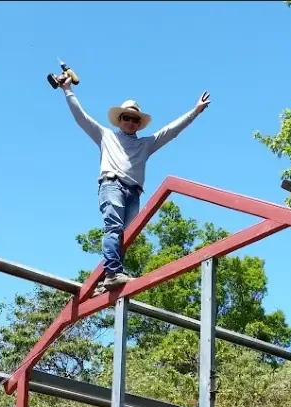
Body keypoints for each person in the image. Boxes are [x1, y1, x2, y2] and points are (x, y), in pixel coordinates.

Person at [60, 78, 211, 293]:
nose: (130, 122)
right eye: (126, 118)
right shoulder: (106, 136)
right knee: (113, 227)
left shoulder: (145, 144)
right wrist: (67, 90)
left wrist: (195, 111)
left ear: (138, 124)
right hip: (112, 184)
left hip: (134, 192)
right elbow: (81, 117)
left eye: (134, 119)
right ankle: (112, 272)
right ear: (120, 120)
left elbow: (171, 131)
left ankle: (108, 279)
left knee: (125, 237)